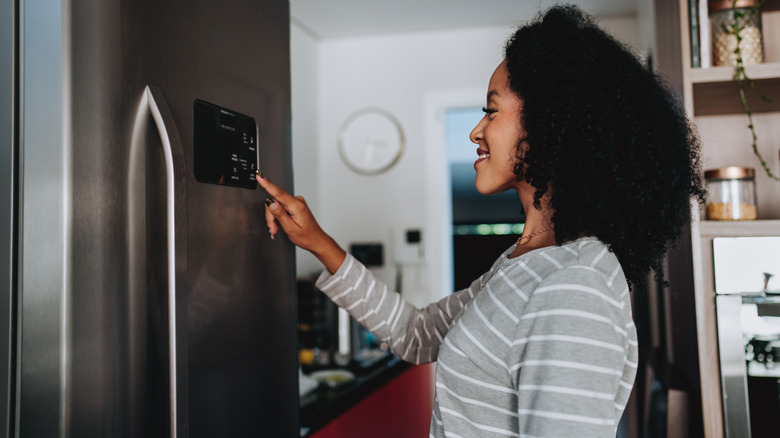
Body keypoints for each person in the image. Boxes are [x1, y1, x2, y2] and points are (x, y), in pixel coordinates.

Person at [256, 5, 705, 437]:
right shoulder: (522, 264)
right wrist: (318, 242)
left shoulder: (574, 285)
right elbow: (414, 334)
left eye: (491, 111)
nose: (476, 131)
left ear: (551, 122)